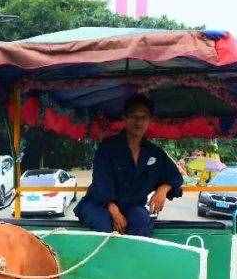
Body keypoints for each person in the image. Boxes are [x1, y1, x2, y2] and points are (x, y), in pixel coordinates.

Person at [74, 94, 184, 236]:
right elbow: (101, 183)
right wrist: (114, 211)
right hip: (100, 205)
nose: (138, 122)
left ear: (149, 120)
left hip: (131, 207)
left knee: (142, 220)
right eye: (133, 116)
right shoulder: (107, 147)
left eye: (143, 117)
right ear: (125, 118)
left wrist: (163, 189)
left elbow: (175, 176)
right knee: (104, 224)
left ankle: (134, 258)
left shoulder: (154, 153)